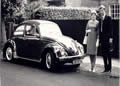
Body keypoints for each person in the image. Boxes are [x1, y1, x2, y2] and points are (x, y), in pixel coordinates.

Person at [98, 5, 113, 72]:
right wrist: (100, 41)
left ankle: (109, 68)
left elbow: (111, 29)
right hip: (102, 39)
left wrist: (111, 38)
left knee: (108, 54)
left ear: (104, 10)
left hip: (107, 39)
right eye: (100, 11)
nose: (101, 12)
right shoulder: (100, 19)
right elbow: (100, 31)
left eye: (102, 10)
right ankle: (105, 68)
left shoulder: (108, 18)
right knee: (103, 54)